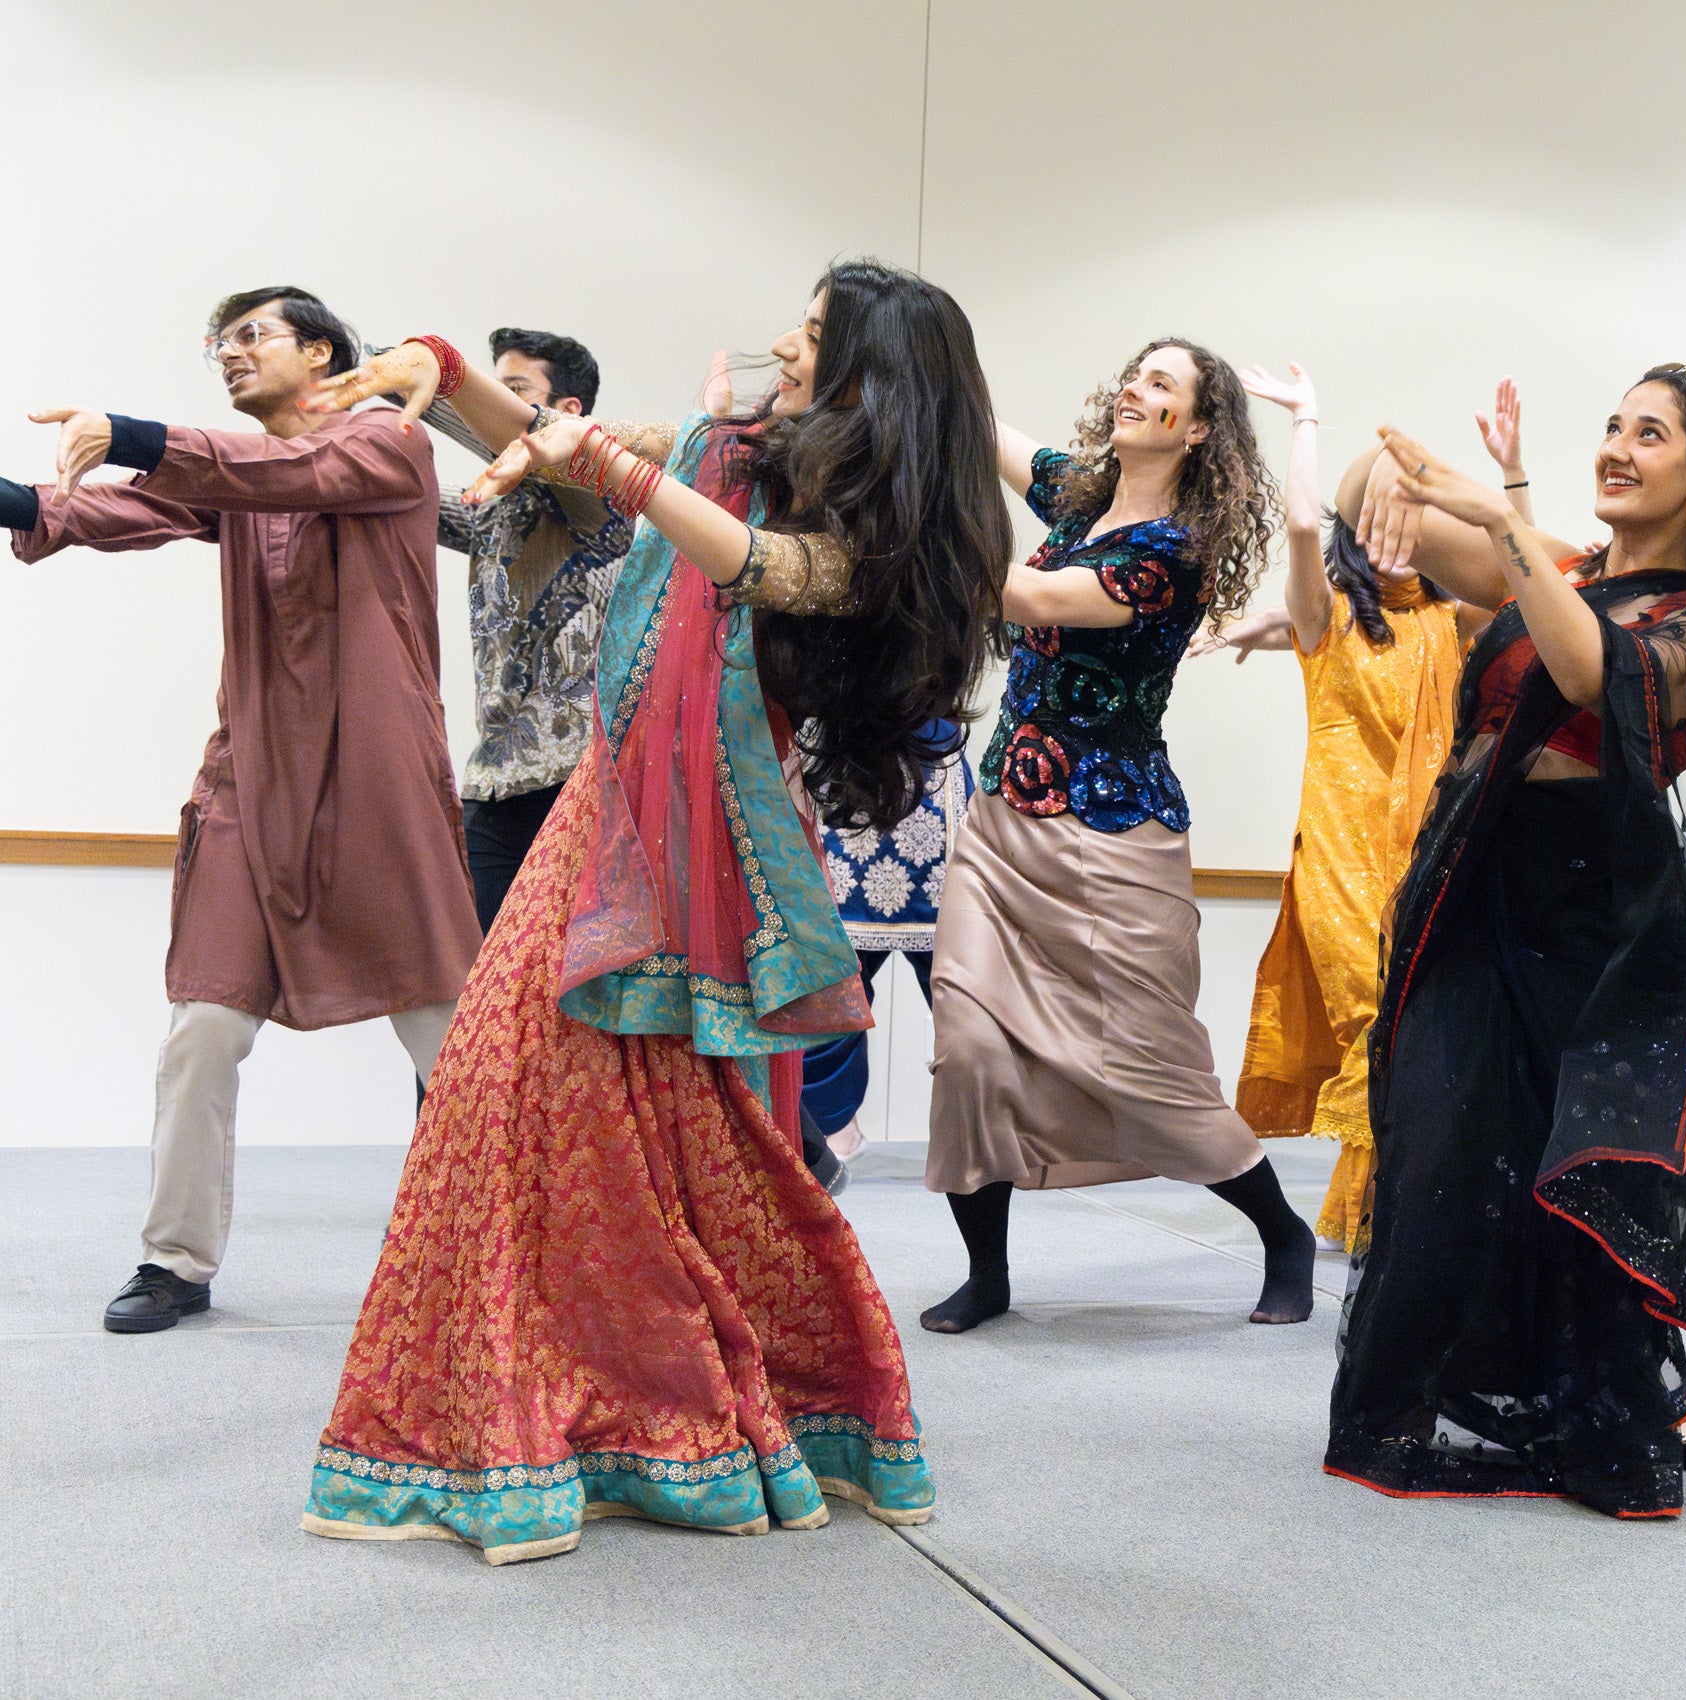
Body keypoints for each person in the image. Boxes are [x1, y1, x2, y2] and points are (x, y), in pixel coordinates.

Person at [293, 259, 1009, 1562]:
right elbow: (558, 453)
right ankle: (609, 1395)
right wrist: (439, 374)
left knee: (545, 1103)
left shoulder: (861, 527)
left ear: (864, 376)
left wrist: (631, 477)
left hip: (706, 843)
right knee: (569, 1115)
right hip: (613, 814)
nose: (779, 351)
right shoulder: (724, 445)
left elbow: (768, 570)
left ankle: (625, 1404)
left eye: (808, 339)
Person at [1324, 361, 1686, 1519]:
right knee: (1443, 1137)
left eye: (1651, 434)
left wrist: (1503, 512)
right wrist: (1385, 473)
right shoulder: (1567, 569)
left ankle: (1603, 1412)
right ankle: (1435, 1404)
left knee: (1574, 1177)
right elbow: (1363, 496)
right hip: (1476, 893)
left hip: (1604, 928)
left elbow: (1595, 669)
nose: (1619, 446)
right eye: (1611, 425)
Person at [7, 285, 477, 1336]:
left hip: (379, 781)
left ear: (322, 352)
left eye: (250, 336)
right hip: (249, 784)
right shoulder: (238, 474)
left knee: (445, 1027)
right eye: (218, 343)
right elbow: (132, 506)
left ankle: (514, 1246)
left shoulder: (388, 443)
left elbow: (291, 472)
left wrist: (133, 431)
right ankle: (173, 1259)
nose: (228, 354)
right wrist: (14, 498)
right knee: (203, 1025)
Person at [922, 337, 1316, 1335]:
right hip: (1003, 821)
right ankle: (988, 1271)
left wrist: (915, 520)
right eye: (1137, 373)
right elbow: (982, 429)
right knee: (969, 1043)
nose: (1139, 389)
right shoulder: (1079, 498)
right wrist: (923, 359)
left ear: (1194, 430)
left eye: (1165, 386)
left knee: (1150, 1066)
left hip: (1112, 837)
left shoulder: (1170, 552)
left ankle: (1283, 1234)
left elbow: (1030, 597)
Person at [1200, 361, 1468, 1253]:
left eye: (1415, 521)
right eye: (1383, 519)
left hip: (1430, 863)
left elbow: (1530, 579)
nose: (1401, 536)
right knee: (1373, 1025)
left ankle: (1391, 1224)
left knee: (1415, 1037)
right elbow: (1306, 523)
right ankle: (1373, 1225)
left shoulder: (1447, 621)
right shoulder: (1326, 619)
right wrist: (1307, 419)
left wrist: (1501, 481)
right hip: (1343, 869)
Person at [428, 327, 634, 931]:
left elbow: (535, 442)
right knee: (486, 981)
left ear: (567, 411)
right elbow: (401, 492)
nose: (495, 403)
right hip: (493, 783)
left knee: (559, 982)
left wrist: (431, 371)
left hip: (579, 783)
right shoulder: (488, 508)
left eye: (512, 391)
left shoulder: (596, 493)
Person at [795, 721, 974, 1187]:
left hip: (928, 769)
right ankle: (833, 1125)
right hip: (844, 769)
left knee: (961, 984)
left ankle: (983, 1131)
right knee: (833, 974)